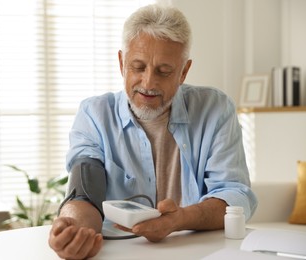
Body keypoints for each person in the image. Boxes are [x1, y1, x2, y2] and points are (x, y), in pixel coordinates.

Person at [49, 3, 257, 259]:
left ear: (183, 71)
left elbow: (235, 196)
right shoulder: (94, 114)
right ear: (121, 62)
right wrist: (73, 227)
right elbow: (84, 193)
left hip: (200, 252)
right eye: (138, 67)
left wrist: (179, 219)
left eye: (164, 71)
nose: (148, 83)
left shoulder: (216, 109)